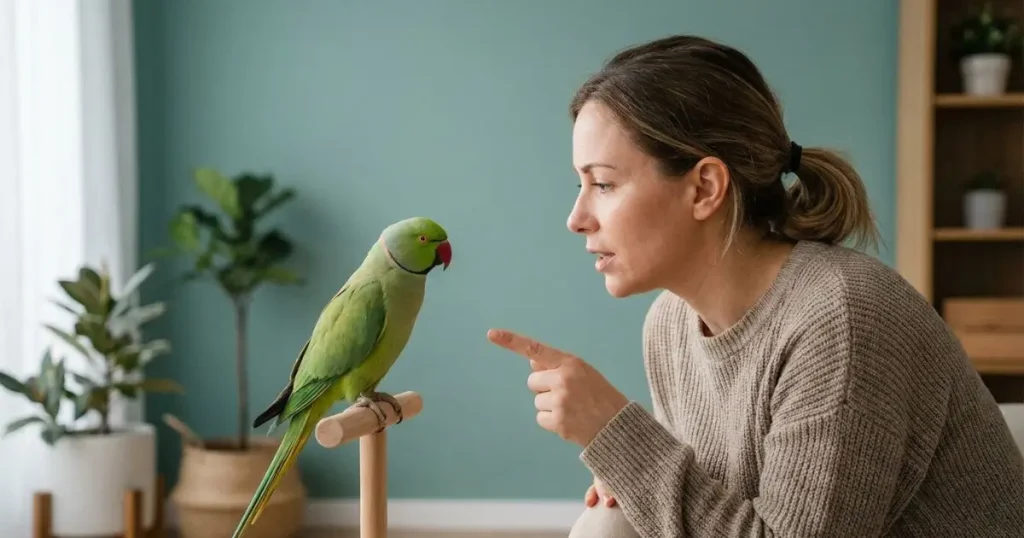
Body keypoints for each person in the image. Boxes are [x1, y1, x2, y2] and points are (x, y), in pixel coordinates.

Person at [486, 34, 1024, 537]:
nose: (576, 218)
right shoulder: (669, 325)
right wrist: (633, 474)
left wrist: (617, 435)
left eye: (603, 183)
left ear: (704, 187)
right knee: (606, 524)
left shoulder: (842, 318)